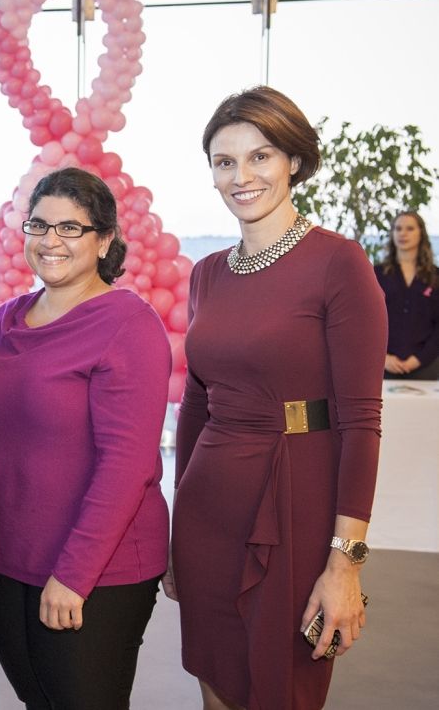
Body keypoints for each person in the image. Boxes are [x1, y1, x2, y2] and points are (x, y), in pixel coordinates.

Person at [167, 86, 384, 710]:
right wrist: (180, 526)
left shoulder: (339, 263)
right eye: (224, 161)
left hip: (297, 504)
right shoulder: (207, 273)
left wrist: (346, 563)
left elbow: (361, 422)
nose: (242, 176)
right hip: (209, 507)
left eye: (260, 157)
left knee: (282, 688)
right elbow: (195, 410)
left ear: (293, 160)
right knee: (215, 682)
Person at [0, 167, 171, 709]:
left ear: (105, 241)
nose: (51, 240)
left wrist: (75, 576)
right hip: (4, 561)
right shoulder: (5, 320)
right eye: (40, 225)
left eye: (71, 228)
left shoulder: (129, 324)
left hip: (93, 571)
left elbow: (127, 466)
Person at [376, 211, 439, 380]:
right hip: (382, 367)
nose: (402, 233)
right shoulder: (375, 274)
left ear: (421, 233)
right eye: (398, 228)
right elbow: (364, 322)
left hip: (427, 368)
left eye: (410, 228)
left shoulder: (436, 277)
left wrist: (419, 359)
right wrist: (383, 358)